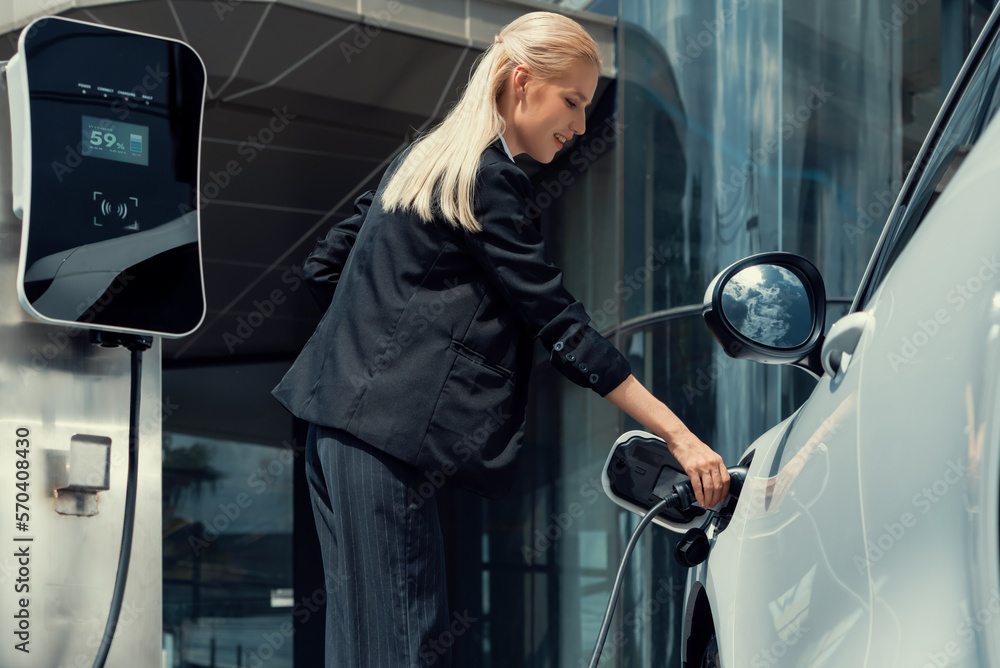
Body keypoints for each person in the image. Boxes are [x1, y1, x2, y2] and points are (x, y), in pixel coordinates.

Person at [272, 11, 730, 667]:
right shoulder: (489, 179)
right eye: (571, 101)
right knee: (405, 645)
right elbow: (562, 326)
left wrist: (381, 351)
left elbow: (324, 267)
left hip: (334, 437)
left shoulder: (418, 163)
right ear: (522, 82)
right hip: (382, 443)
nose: (577, 127)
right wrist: (680, 437)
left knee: (362, 645)